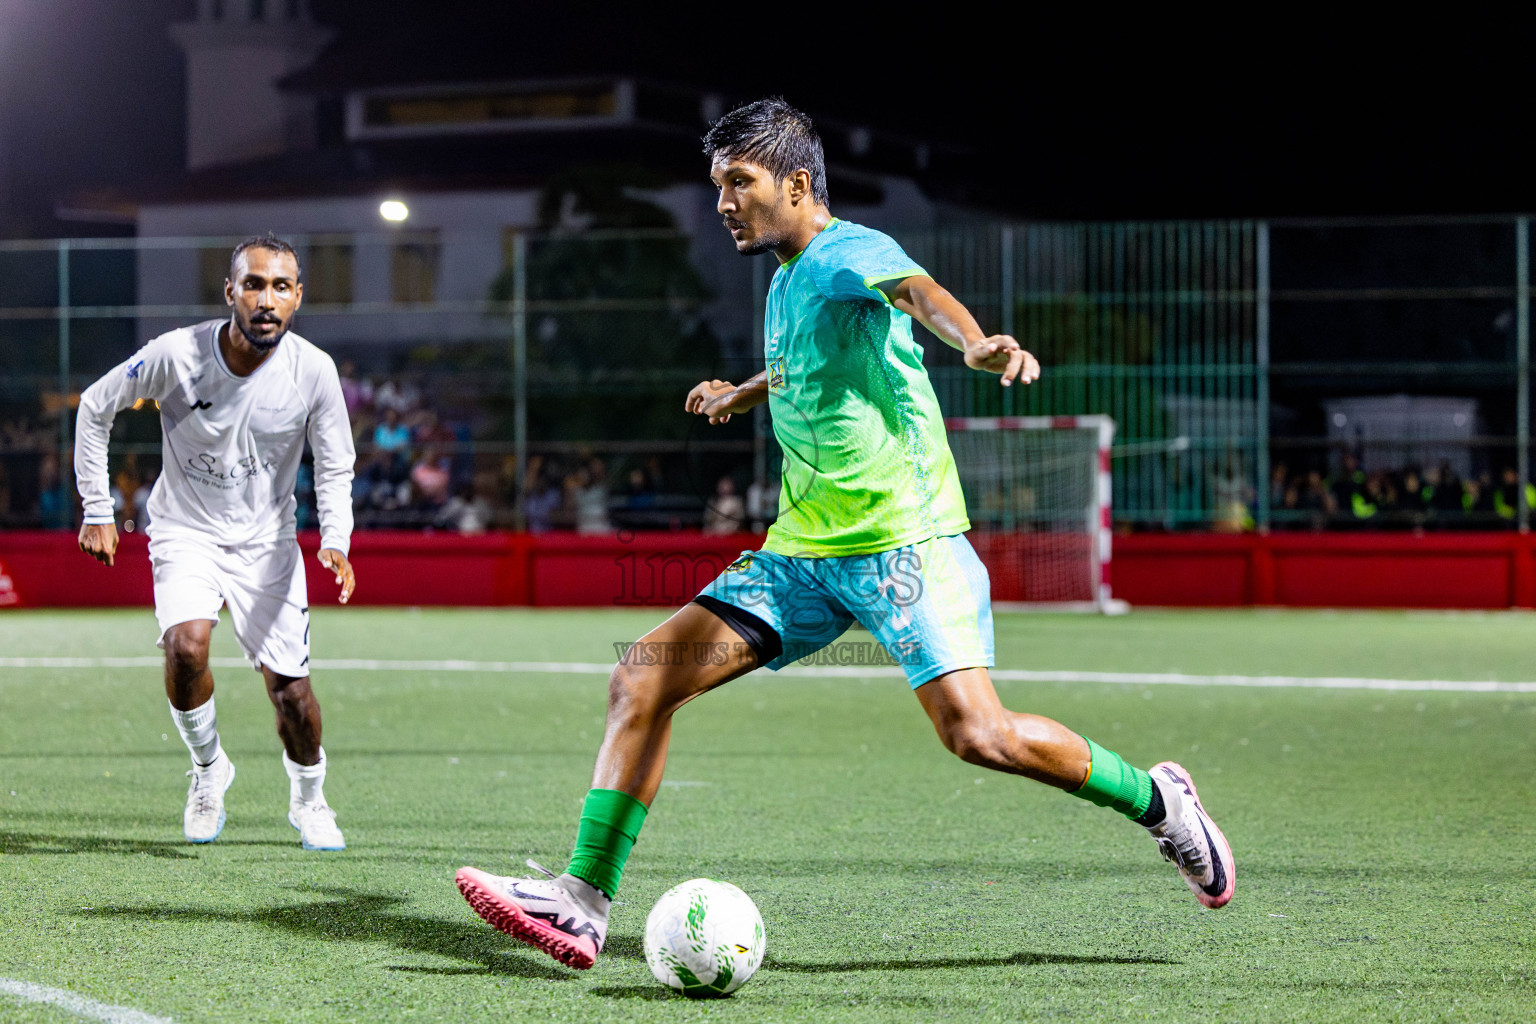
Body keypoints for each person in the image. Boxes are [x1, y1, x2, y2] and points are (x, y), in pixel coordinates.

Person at [454, 99, 1234, 970]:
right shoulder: (788, 277)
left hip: (905, 541)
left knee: (980, 735)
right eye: (718, 186)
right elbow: (801, 367)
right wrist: (741, 394)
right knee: (645, 675)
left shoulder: (847, 250)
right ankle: (582, 903)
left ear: (795, 183)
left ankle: (1159, 801)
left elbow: (918, 292)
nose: (723, 203)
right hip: (804, 551)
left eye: (738, 183)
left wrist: (972, 343)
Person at [74, 234, 357, 851]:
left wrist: (336, 536)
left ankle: (310, 800)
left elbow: (335, 463)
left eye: (281, 287)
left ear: (298, 298)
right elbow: (95, 407)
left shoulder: (314, 370)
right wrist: (98, 508)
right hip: (185, 530)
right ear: (230, 290)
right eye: (253, 284)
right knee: (185, 647)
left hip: (268, 543)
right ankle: (208, 772)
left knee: (292, 695)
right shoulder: (177, 355)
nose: (266, 299)